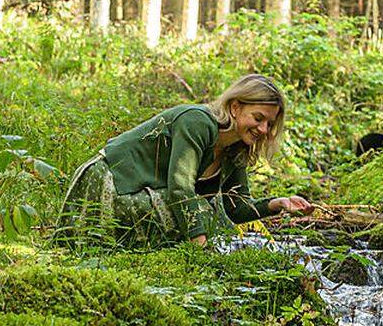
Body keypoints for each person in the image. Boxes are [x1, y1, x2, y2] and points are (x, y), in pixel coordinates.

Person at [57, 73, 313, 248]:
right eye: (258, 118)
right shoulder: (197, 122)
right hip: (108, 183)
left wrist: (278, 204)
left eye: (270, 124)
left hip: (142, 194)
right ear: (235, 107)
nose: (264, 129)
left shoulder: (236, 150)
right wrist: (199, 248)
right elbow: (180, 188)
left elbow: (236, 209)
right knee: (204, 213)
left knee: (213, 216)